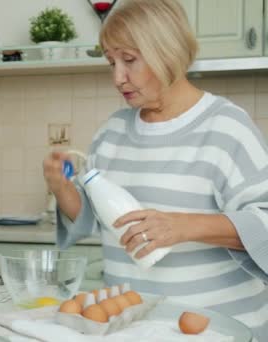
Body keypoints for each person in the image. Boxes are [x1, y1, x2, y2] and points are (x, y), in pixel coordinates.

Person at [43, 0, 267, 339]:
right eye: (111, 62)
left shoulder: (227, 128)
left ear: (167, 50)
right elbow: (92, 221)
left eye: (129, 60)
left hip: (219, 331)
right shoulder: (110, 133)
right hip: (133, 330)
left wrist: (182, 226)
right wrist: (62, 188)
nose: (118, 77)